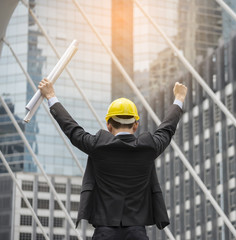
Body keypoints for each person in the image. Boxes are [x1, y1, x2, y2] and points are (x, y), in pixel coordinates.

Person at [38, 78, 187, 240]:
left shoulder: (97, 146)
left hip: (105, 232)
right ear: (135, 125)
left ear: (108, 125)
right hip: (137, 233)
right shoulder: (148, 148)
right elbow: (167, 129)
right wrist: (179, 98)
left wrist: (51, 96)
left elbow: (72, 130)